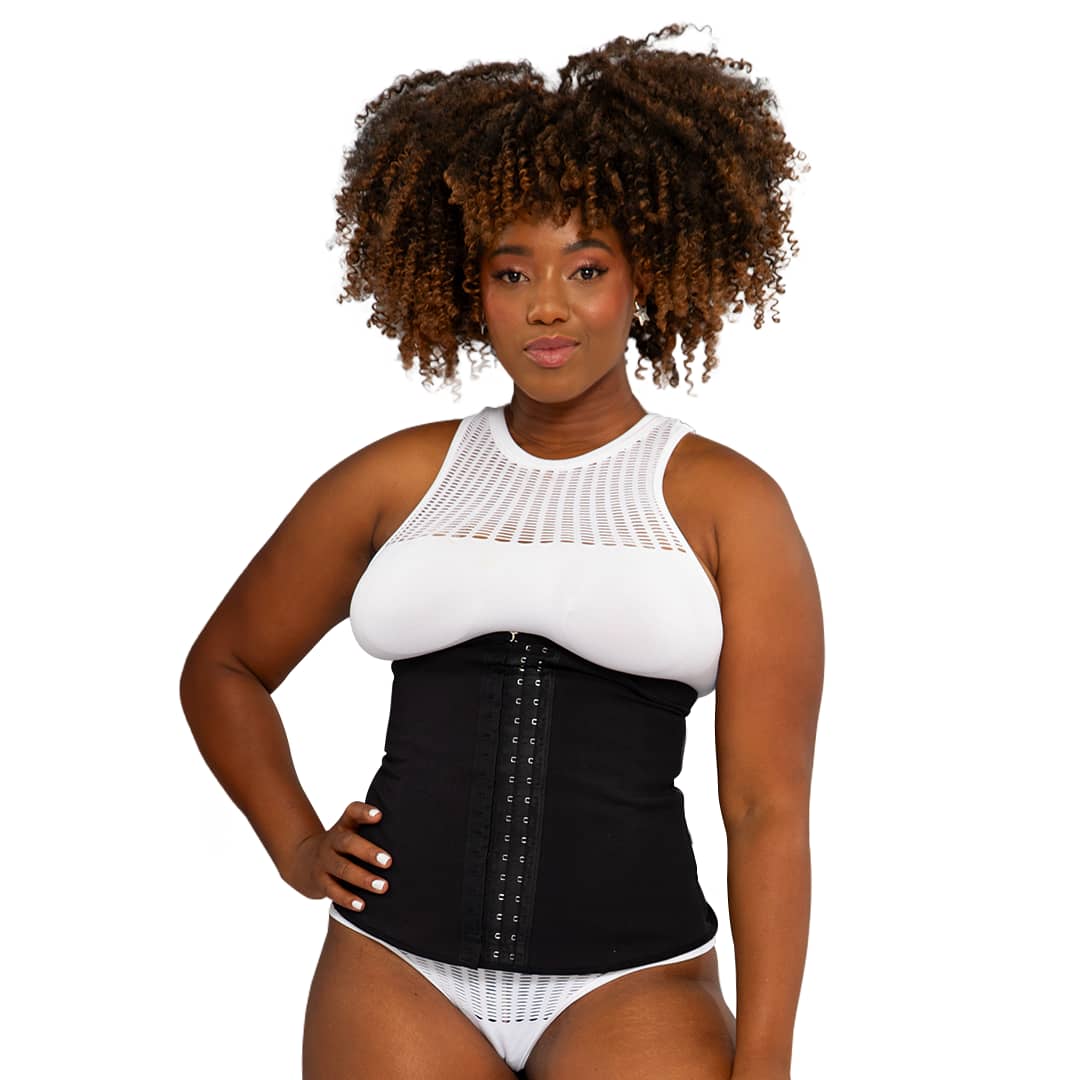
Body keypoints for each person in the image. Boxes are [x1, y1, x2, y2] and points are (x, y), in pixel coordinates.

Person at [180, 23, 822, 1080]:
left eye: (587, 267)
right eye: (512, 271)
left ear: (646, 276)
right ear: (466, 285)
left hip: (636, 983)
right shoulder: (394, 478)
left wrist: (768, 1063)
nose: (547, 306)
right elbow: (224, 666)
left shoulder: (728, 504)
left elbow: (765, 810)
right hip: (392, 971)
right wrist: (296, 844)